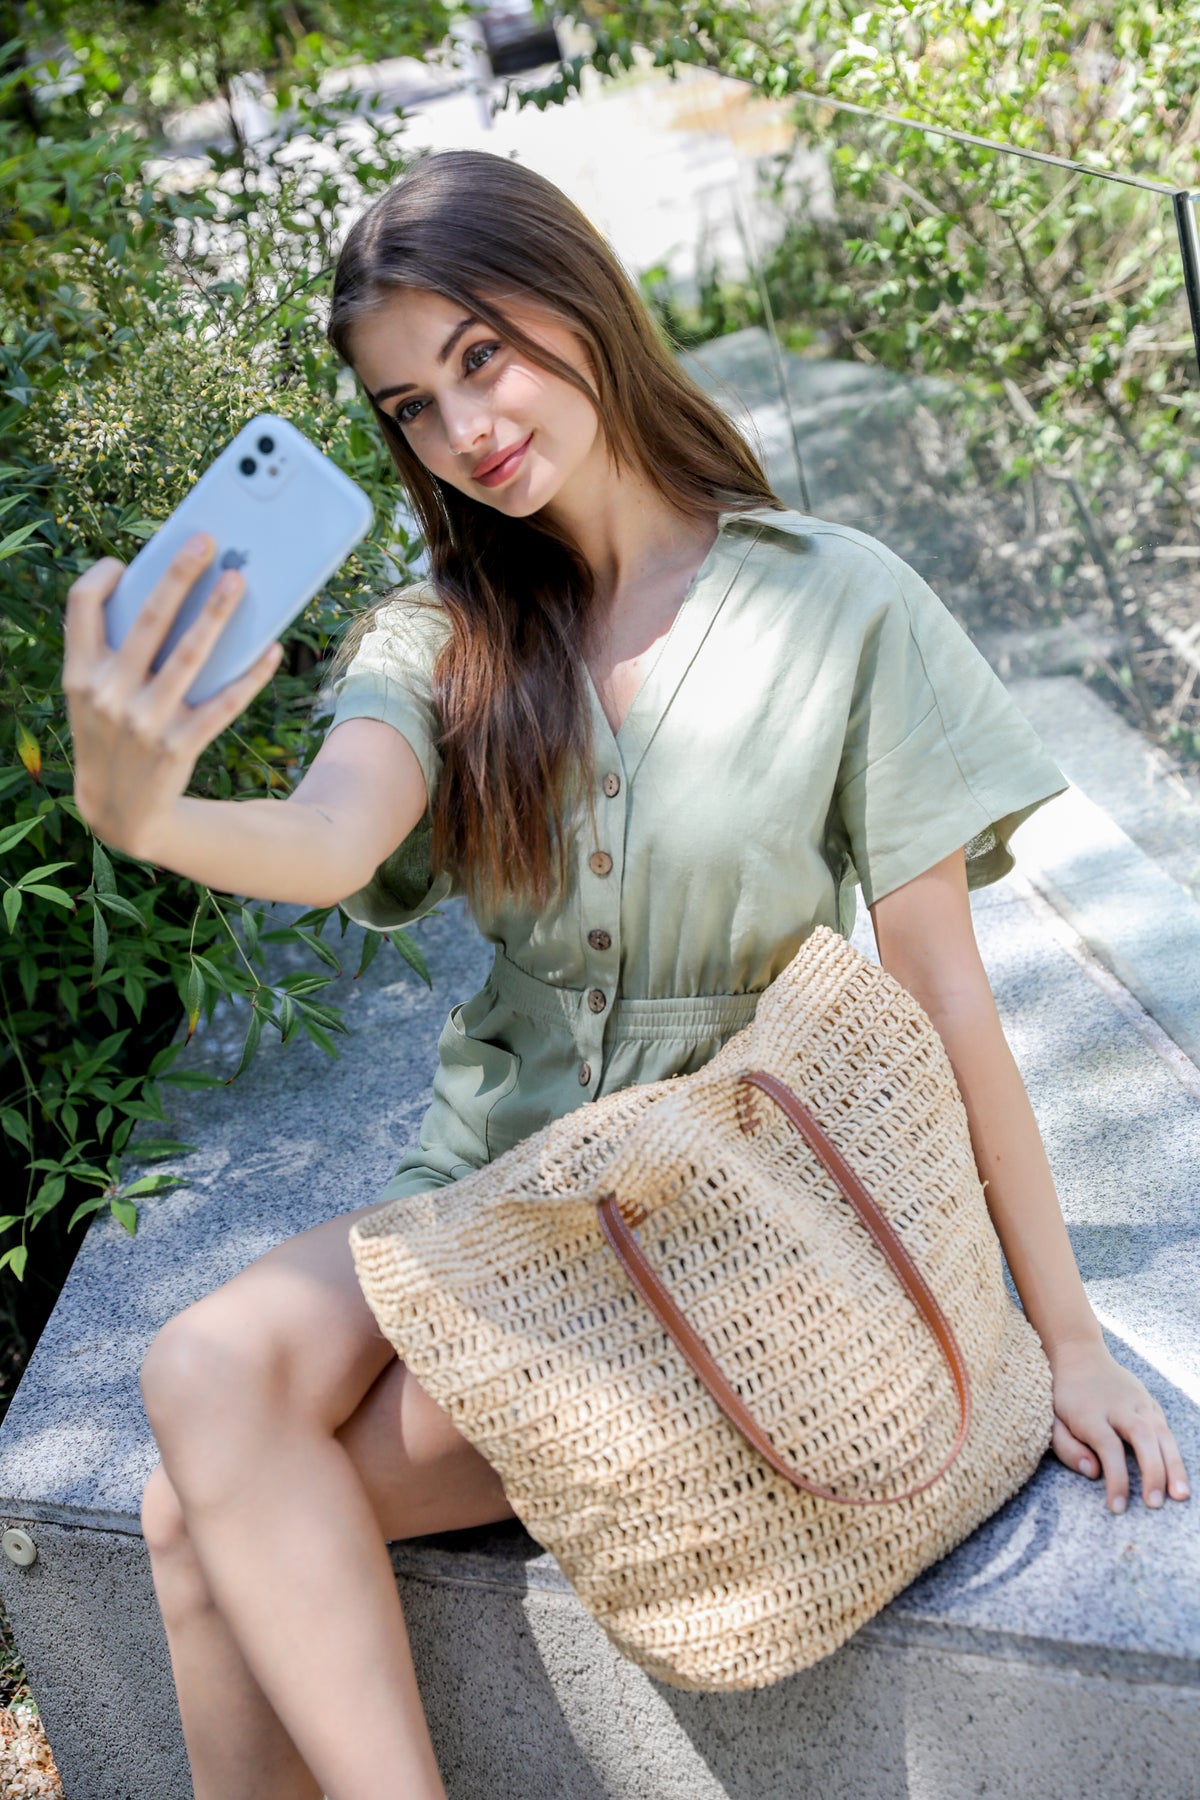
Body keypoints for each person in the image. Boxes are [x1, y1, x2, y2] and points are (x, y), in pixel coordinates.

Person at [62, 148, 1189, 1800]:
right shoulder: (446, 631)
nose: (465, 431)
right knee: (201, 1381)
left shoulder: (837, 604)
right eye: (413, 409)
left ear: (578, 297)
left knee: (196, 1500)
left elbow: (951, 1001)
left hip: (719, 1222)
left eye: (481, 354)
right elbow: (326, 833)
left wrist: (1069, 1336)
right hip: (496, 1199)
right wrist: (147, 808)